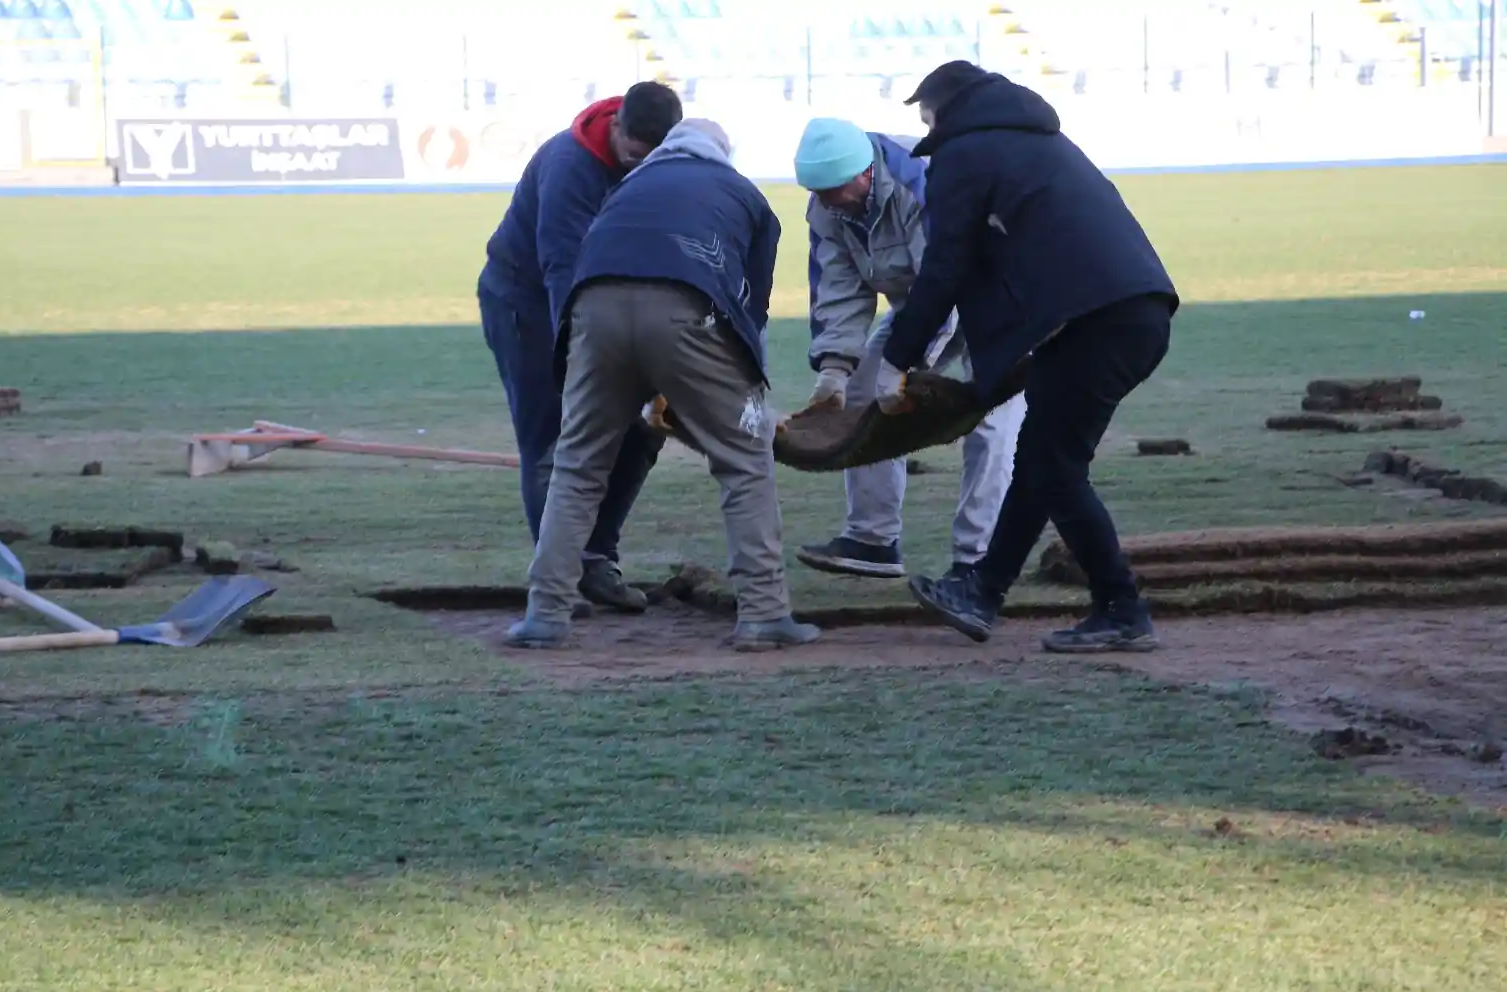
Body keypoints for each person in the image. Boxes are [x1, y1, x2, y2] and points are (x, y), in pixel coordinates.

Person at [877, 60, 1180, 653]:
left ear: (945, 110)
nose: (922, 123)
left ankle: (1122, 609)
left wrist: (898, 359)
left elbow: (945, 269)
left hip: (1095, 323)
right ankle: (983, 592)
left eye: (925, 112)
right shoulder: (1042, 141)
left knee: (1055, 469)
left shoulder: (962, 155)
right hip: (1131, 312)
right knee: (1042, 461)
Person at [505, 119, 819, 653]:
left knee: (578, 465)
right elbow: (750, 311)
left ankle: (545, 613)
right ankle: (764, 612)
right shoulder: (744, 193)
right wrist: (745, 401)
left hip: (592, 311)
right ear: (723, 154)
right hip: (687, 310)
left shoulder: (627, 187)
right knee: (745, 460)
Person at [477, 81, 683, 614]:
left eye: (650, 158)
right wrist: (581, 356)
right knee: (552, 438)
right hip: (527, 301)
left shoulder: (668, 165)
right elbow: (561, 270)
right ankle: (558, 579)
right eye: (631, 155)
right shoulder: (571, 165)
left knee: (643, 428)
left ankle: (595, 559)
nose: (638, 165)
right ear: (616, 128)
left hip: (615, 300)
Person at [790, 116, 1025, 582]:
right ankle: (872, 540)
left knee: (991, 422)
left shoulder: (925, 182)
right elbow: (840, 289)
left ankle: (977, 560)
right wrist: (835, 370)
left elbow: (946, 278)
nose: (828, 202)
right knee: (861, 393)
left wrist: (906, 365)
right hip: (921, 304)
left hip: (998, 300)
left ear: (865, 173)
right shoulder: (828, 208)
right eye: (818, 193)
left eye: (835, 189)